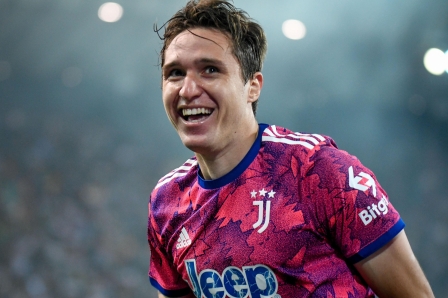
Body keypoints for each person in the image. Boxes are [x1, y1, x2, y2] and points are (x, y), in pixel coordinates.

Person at [147, 1, 434, 297]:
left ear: (253, 86)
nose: (188, 89)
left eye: (210, 70)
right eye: (175, 73)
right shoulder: (167, 202)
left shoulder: (318, 171)